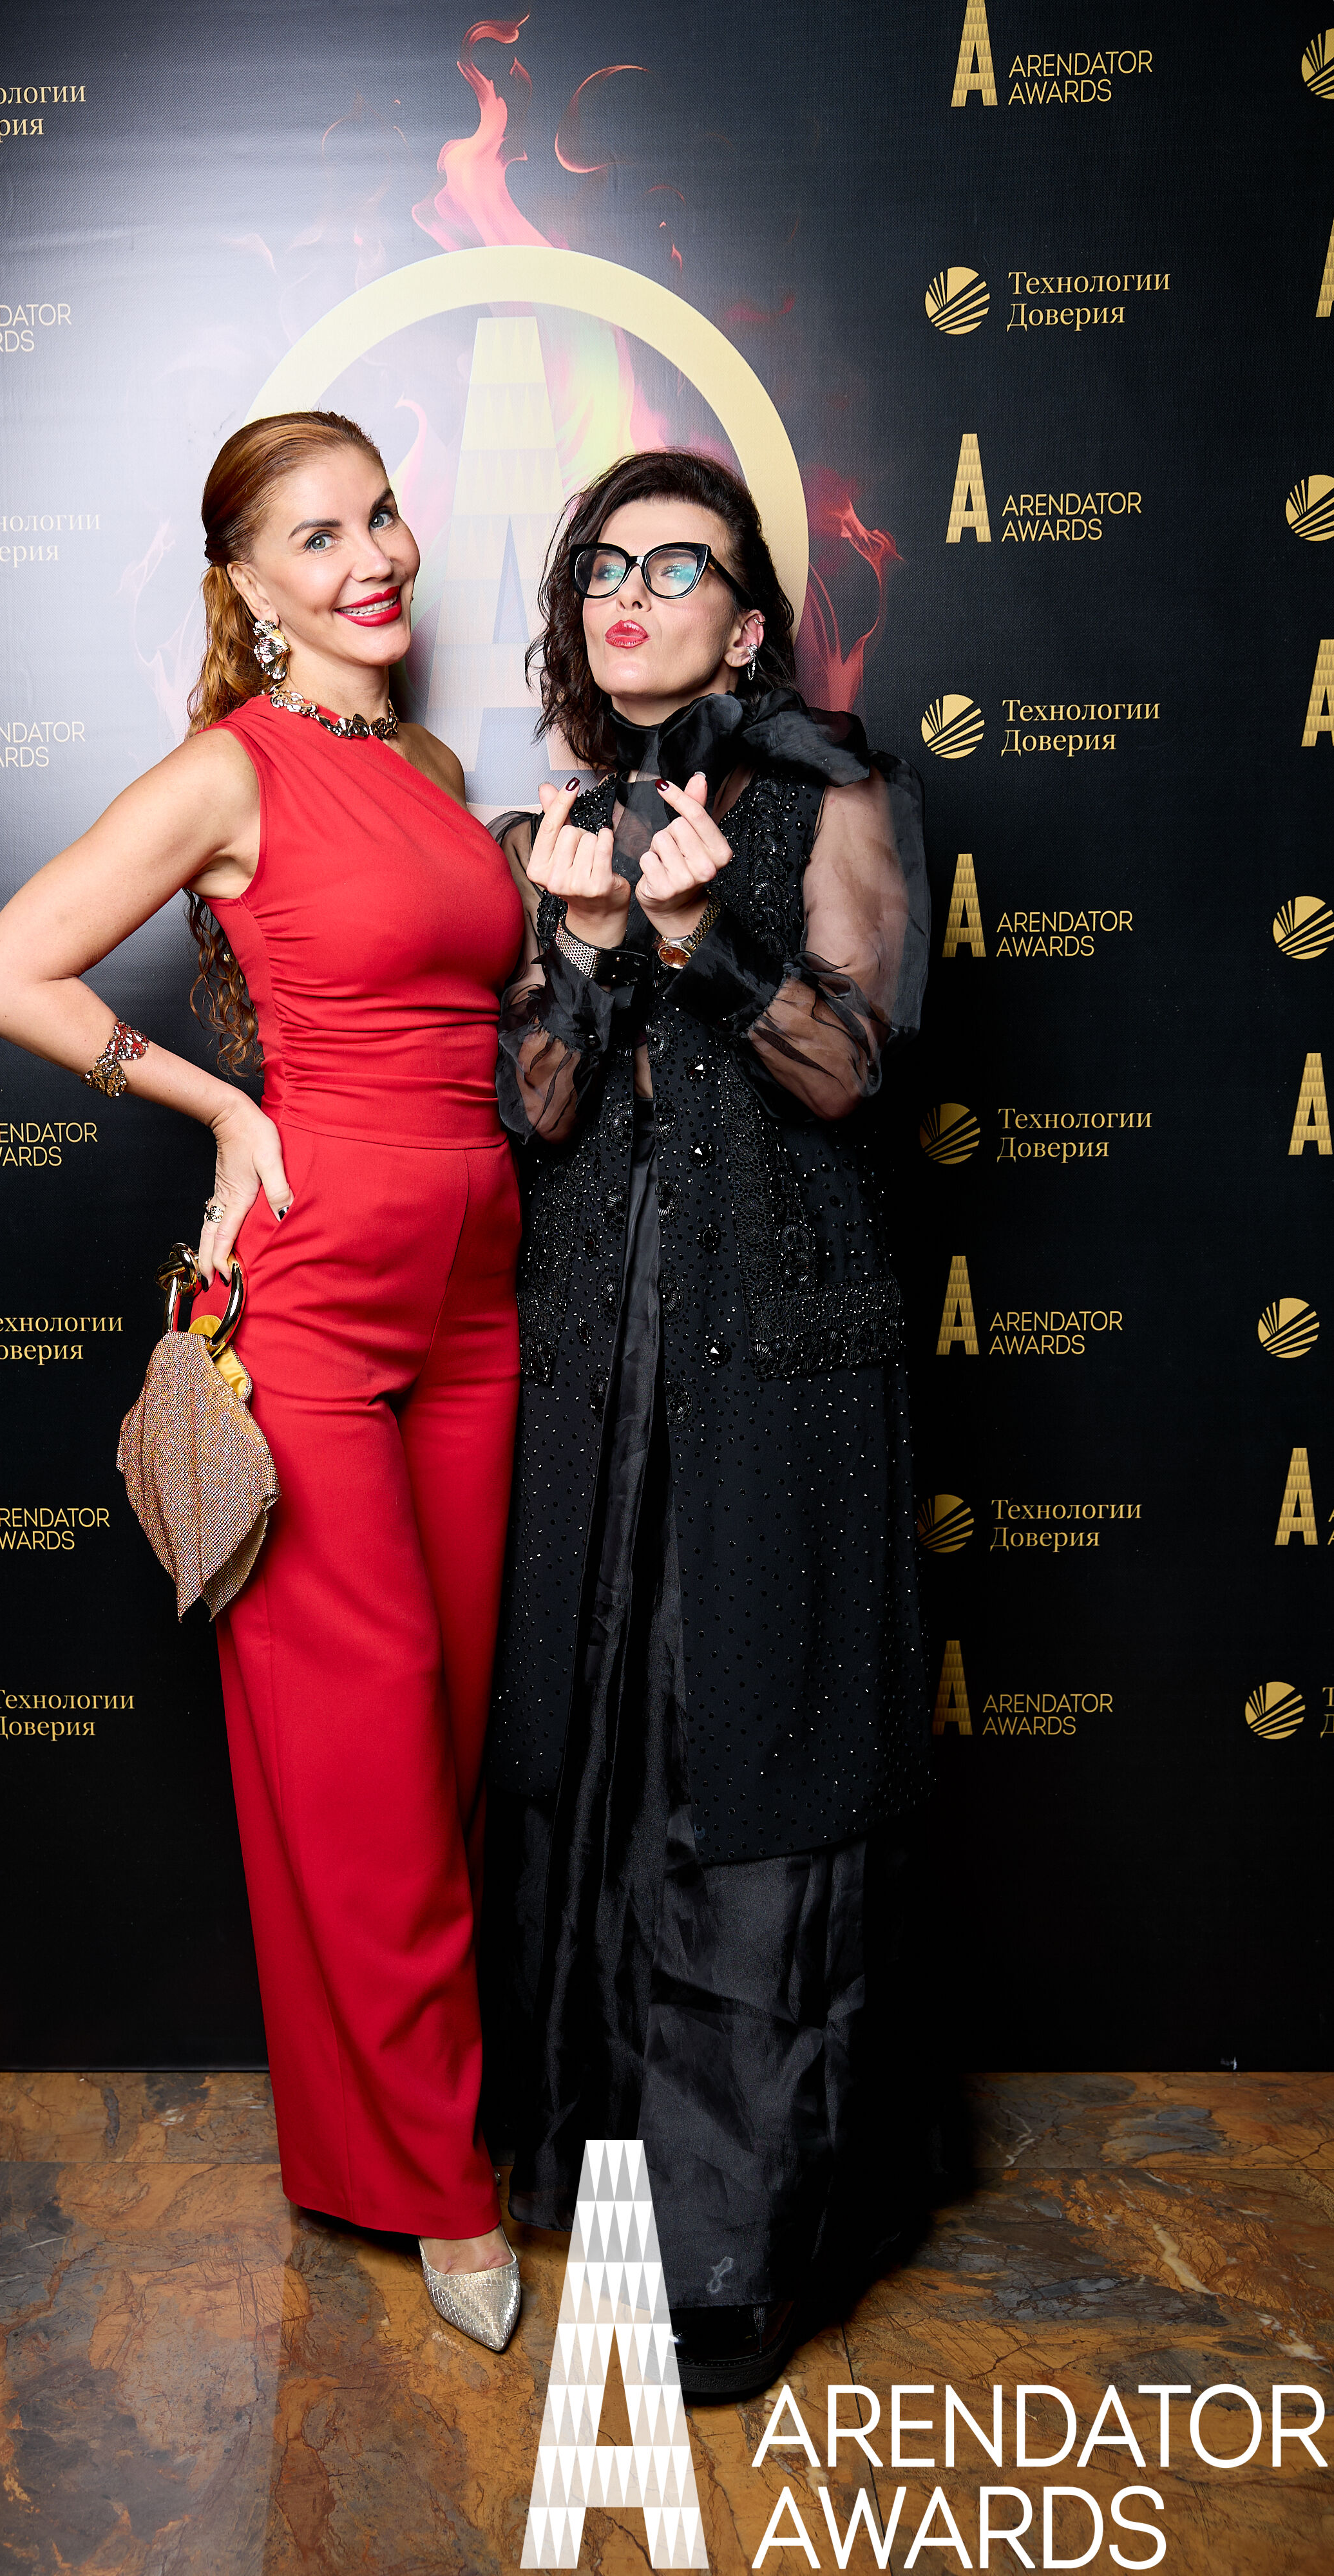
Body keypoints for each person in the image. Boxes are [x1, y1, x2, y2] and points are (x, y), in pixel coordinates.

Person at [0, 410, 522, 2353]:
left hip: (483, 1303)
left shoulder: (430, 772)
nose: (375, 559)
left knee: (442, 1750)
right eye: (321, 536)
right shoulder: (231, 770)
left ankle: (387, 2135)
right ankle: (446, 2192)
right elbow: (7, 971)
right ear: (251, 585)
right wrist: (219, 1110)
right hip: (319, 1301)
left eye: (383, 516)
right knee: (363, 1756)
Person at [482, 447, 931, 2401]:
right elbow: (537, 1112)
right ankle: (606, 2179)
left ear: (748, 626)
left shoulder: (838, 792)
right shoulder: (555, 831)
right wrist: (584, 950)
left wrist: (698, 938)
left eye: (679, 568)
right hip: (599, 1352)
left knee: (747, 1750)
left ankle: (740, 2241)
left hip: (780, 1344)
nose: (632, 593)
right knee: (603, 1735)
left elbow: (850, 1067)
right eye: (604, 567)